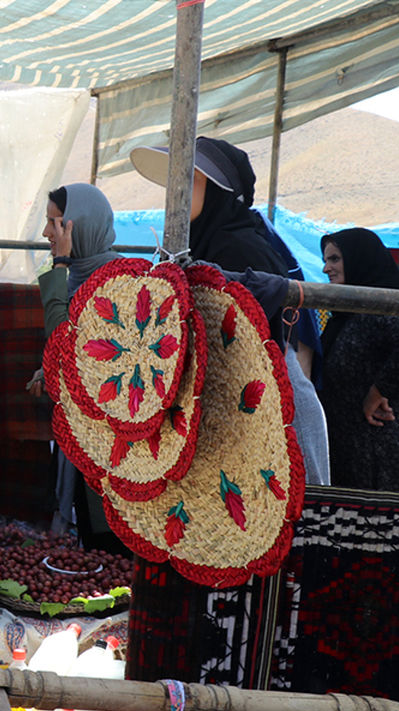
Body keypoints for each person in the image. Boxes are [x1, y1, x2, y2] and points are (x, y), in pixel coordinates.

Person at [130, 136, 331, 485]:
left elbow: (278, 348)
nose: (172, 194)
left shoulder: (243, 247)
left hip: (270, 417)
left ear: (217, 191)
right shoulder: (193, 249)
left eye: (187, 180)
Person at [30, 183, 129, 555]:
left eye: (55, 223)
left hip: (108, 447)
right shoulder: (81, 276)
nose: (46, 233)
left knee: (106, 542)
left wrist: (58, 266)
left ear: (78, 226)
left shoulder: (114, 282)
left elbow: (62, 343)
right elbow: (73, 350)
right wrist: (48, 372)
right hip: (80, 435)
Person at [319, 227, 399, 491]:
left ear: (360, 259)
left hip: (375, 460)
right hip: (350, 454)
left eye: (335, 259)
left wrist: (380, 391)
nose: (326, 269)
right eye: (325, 260)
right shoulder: (345, 317)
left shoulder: (374, 309)